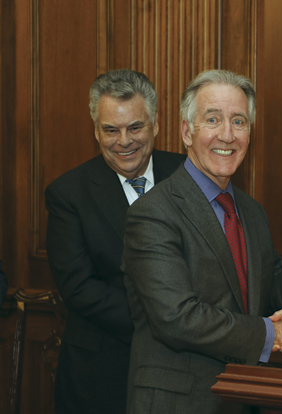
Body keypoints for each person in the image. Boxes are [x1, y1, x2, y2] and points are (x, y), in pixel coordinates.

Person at [122, 69, 282, 414]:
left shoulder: (252, 212)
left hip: (243, 398)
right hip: (178, 403)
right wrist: (272, 336)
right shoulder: (153, 213)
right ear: (187, 131)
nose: (227, 135)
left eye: (239, 122)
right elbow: (177, 318)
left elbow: (267, 293)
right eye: (213, 119)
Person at [45, 69, 186, 414]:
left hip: (186, 371)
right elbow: (78, 288)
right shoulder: (68, 193)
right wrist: (164, 323)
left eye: (135, 127)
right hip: (101, 375)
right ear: (96, 130)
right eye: (111, 130)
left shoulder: (190, 175)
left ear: (155, 123)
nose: (124, 141)